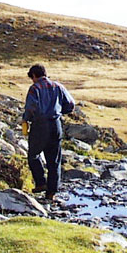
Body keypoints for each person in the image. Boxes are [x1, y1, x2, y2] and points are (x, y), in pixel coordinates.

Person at [23, 64, 75, 200]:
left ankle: (41, 182)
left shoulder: (35, 88)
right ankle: (51, 192)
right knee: (54, 160)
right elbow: (70, 104)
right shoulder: (58, 86)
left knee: (33, 155)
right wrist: (59, 112)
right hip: (56, 125)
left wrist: (26, 120)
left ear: (34, 75)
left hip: (40, 125)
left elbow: (30, 108)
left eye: (32, 77)